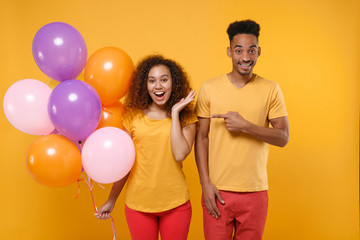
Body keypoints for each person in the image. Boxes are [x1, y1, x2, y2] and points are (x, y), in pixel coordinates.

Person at [195, 19, 289, 240]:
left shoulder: (271, 89)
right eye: (239, 50)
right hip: (217, 191)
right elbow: (202, 138)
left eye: (251, 50)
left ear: (258, 52)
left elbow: (283, 137)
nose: (245, 57)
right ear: (229, 52)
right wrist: (205, 184)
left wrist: (245, 126)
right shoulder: (209, 88)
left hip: (255, 193)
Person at [95, 55, 197, 240]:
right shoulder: (132, 115)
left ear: (173, 83)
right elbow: (125, 162)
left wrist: (174, 114)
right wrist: (112, 200)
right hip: (138, 205)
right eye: (152, 81)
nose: (158, 86)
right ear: (145, 85)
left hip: (176, 204)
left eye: (164, 79)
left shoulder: (186, 117)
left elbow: (180, 153)